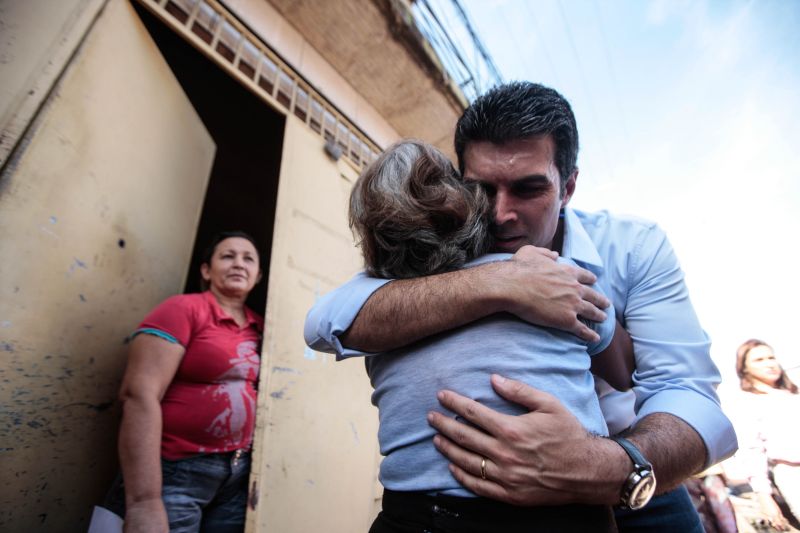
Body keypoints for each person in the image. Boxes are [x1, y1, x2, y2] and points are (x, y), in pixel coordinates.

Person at [305, 81, 737, 531]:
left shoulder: (633, 246)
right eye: (482, 189)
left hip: (629, 468)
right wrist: (503, 282)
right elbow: (327, 321)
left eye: (529, 189)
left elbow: (687, 394)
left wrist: (598, 466)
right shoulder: (444, 249)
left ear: (568, 186)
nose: (499, 214)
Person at [341, 139, 633, 531]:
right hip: (564, 512)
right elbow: (623, 373)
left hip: (412, 516)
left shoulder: (376, 312)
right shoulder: (552, 277)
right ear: (466, 207)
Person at [104, 231, 263, 533]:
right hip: (178, 470)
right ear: (206, 270)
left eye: (248, 258)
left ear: (257, 276)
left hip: (238, 475)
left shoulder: (262, 326)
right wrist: (144, 501)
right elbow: (139, 394)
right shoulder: (183, 309)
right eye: (227, 256)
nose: (239, 264)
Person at [723, 339, 800, 531]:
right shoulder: (746, 402)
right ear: (744, 368)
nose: (769, 363)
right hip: (793, 474)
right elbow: (752, 451)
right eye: (759, 359)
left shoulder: (793, 394)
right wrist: (764, 497)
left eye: (771, 357)